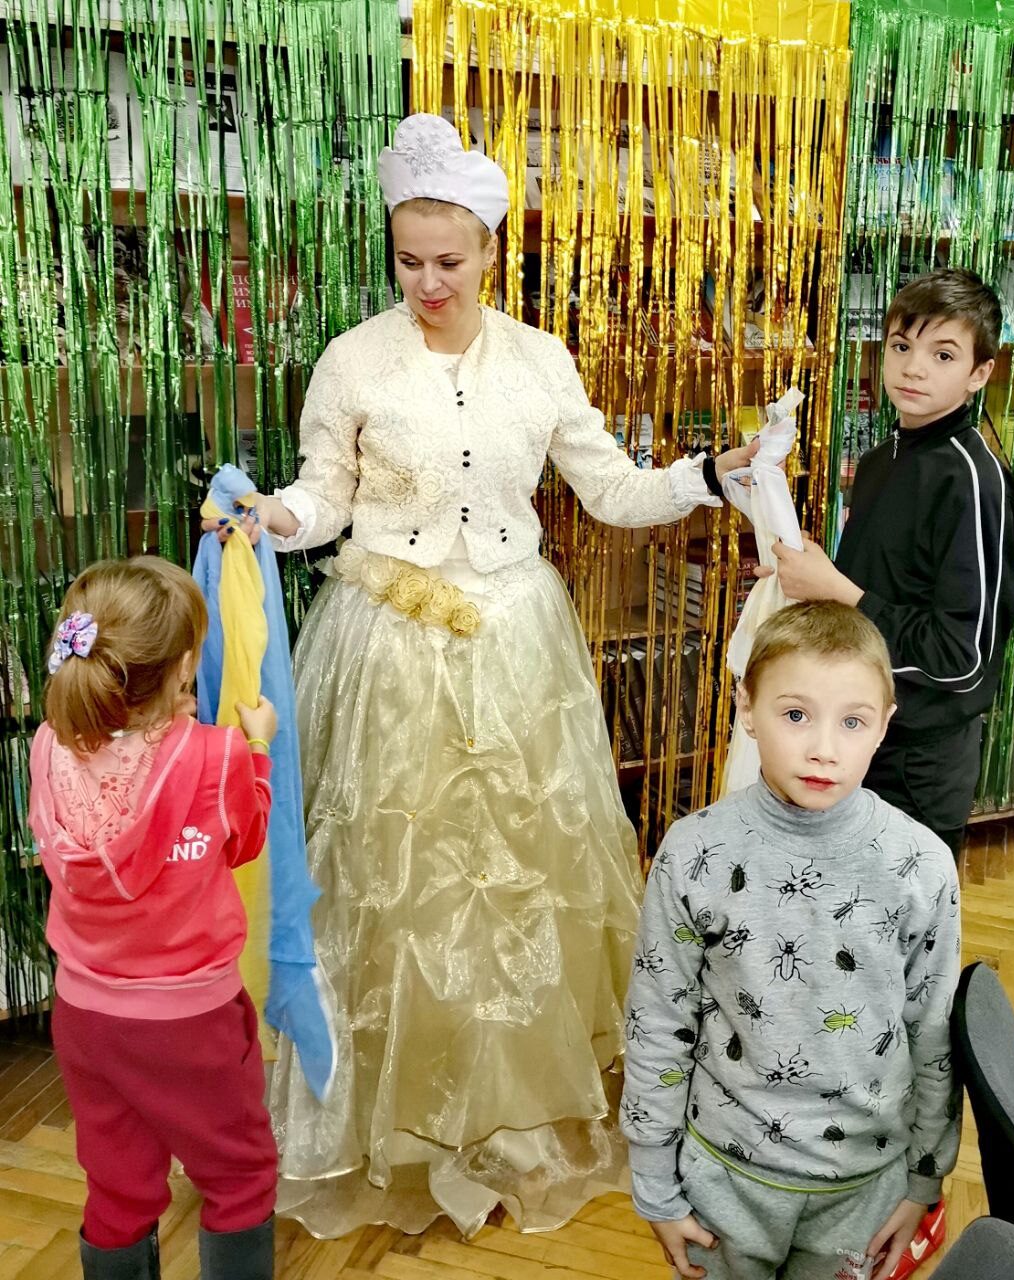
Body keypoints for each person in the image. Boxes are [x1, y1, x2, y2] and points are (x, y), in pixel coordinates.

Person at [207, 112, 758, 1238]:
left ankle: (511, 1109)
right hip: (387, 646)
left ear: (491, 250)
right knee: (392, 882)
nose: (428, 282)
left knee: (518, 885)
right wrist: (276, 515)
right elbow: (325, 496)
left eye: (449, 261)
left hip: (514, 642)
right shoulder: (353, 360)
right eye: (409, 260)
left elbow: (611, 490)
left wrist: (709, 473)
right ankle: (396, 1115)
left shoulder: (539, 360)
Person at [621, 600, 961, 1280]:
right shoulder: (692, 854)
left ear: (883, 726)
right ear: (746, 708)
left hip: (865, 1187)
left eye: (852, 721)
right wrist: (653, 1178)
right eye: (796, 714)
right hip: (722, 1178)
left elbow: (933, 1030)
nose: (823, 749)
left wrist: (925, 1179)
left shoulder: (919, 864)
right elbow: (658, 1020)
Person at [28, 557, 279, 1280]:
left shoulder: (46, 744)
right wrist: (258, 746)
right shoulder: (217, 755)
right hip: (191, 1021)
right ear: (184, 668)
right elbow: (245, 839)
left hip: (86, 1016)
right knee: (238, 1177)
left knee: (118, 1184)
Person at [770, 269, 1014, 858]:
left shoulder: (972, 480)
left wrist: (838, 592)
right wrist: (806, 580)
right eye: (901, 346)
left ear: (980, 373)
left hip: (918, 761)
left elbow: (963, 659)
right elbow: (876, 584)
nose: (914, 368)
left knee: (901, 911)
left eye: (943, 354)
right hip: (854, 733)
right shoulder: (883, 455)